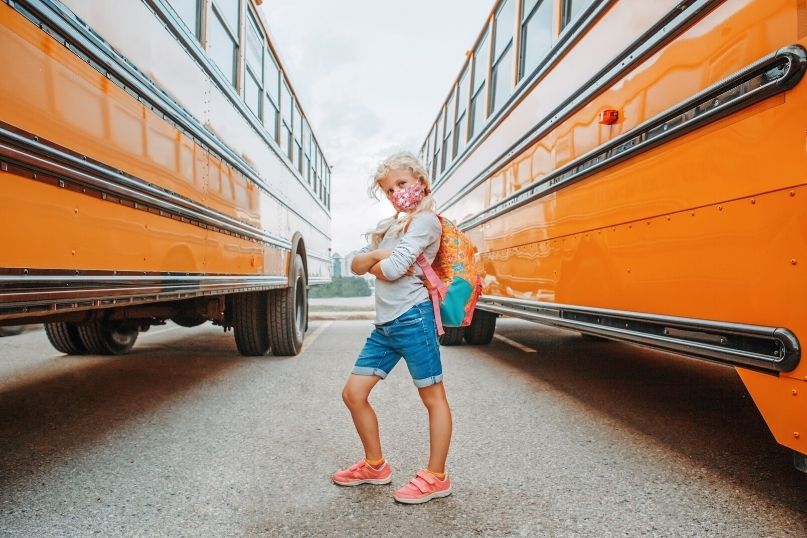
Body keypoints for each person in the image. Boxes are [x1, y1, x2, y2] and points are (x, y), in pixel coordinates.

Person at [332, 152, 453, 504]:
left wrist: (380, 259)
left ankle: (437, 477)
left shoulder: (426, 221)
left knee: (433, 399)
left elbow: (393, 269)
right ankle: (375, 466)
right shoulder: (392, 226)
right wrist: (381, 257)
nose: (396, 192)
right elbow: (357, 264)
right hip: (385, 326)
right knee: (353, 394)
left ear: (420, 181)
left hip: (414, 319)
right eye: (388, 189)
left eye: (401, 183)